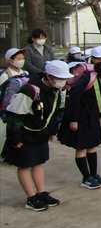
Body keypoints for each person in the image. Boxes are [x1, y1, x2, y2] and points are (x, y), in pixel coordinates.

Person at [4, 60, 72, 211]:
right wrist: (15, 138)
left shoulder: (55, 90)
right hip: (24, 134)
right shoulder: (30, 90)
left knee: (39, 162)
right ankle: (31, 197)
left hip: (41, 133)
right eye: (59, 78)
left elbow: (54, 113)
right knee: (24, 164)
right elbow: (14, 115)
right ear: (48, 76)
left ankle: (41, 193)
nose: (63, 81)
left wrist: (51, 131)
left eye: (64, 78)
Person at [58, 59, 101, 189]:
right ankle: (86, 177)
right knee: (81, 147)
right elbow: (73, 97)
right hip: (80, 118)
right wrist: (73, 119)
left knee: (92, 145)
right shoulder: (88, 78)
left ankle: (94, 174)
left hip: (92, 117)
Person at [0, 48, 29, 158]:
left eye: (23, 58)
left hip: (22, 107)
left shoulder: (25, 73)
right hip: (8, 109)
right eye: (18, 58)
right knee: (9, 131)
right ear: (10, 60)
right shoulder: (5, 75)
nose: (21, 60)